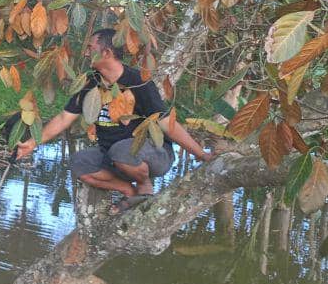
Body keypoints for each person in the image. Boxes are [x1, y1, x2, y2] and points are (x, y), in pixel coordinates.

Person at [15, 28, 211, 214]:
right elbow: (65, 117)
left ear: (106, 53)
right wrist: (32, 143)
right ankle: (129, 191)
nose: (86, 53)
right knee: (79, 163)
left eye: (91, 48)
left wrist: (201, 155)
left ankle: (145, 187)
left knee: (121, 150)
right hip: (113, 157)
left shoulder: (138, 81)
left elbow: (167, 123)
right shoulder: (91, 83)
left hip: (155, 155)